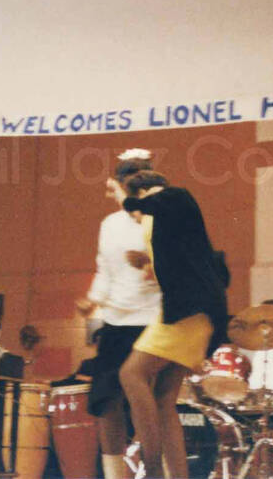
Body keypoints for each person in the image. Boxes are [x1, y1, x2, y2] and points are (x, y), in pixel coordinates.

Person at [117, 170, 228, 478]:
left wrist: (125, 195)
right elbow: (178, 262)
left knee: (131, 374)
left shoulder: (175, 199)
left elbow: (166, 200)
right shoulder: (166, 222)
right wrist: (146, 264)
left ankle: (152, 471)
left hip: (189, 312)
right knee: (164, 398)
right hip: (195, 312)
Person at [75, 148, 162, 479]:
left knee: (147, 404)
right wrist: (92, 300)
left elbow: (177, 265)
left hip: (153, 321)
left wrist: (151, 263)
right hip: (115, 321)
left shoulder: (160, 216)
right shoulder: (109, 224)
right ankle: (115, 474)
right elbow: (104, 270)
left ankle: (155, 471)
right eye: (130, 178)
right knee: (106, 401)